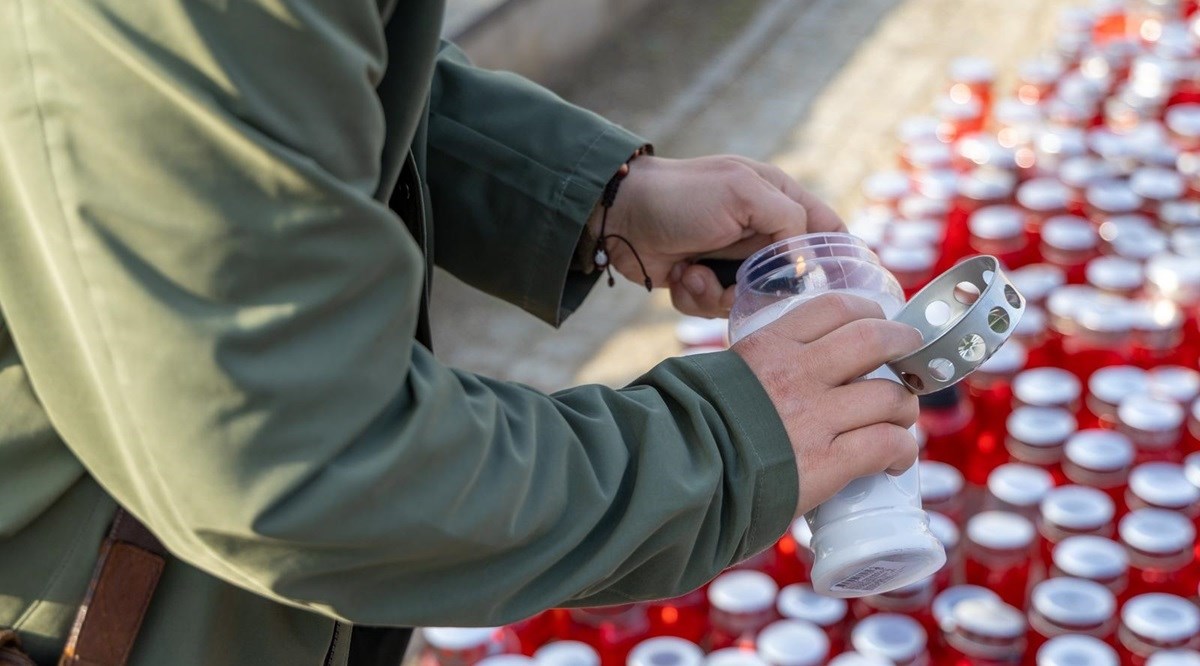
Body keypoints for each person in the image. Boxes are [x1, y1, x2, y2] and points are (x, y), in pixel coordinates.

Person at [0, 1, 922, 664]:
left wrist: (594, 192)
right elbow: (303, 459)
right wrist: (726, 443)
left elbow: (311, 75)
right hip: (88, 601)